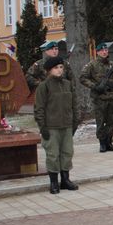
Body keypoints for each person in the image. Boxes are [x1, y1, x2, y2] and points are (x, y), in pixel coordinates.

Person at [34, 56, 79, 194]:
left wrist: (75, 122)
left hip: (67, 125)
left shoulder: (68, 84)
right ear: (49, 71)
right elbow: (39, 109)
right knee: (53, 155)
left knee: (67, 153)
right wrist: (43, 127)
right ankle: (54, 182)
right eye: (56, 68)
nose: (59, 70)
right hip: (51, 127)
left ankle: (65, 180)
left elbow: (74, 105)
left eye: (61, 67)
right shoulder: (44, 86)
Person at [79, 42, 113, 153]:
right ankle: (102, 143)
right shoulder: (92, 65)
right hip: (100, 98)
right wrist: (95, 86)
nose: (104, 52)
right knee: (101, 121)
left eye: (106, 50)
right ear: (97, 52)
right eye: (102, 50)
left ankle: (109, 142)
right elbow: (83, 78)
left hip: (112, 97)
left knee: (112, 122)